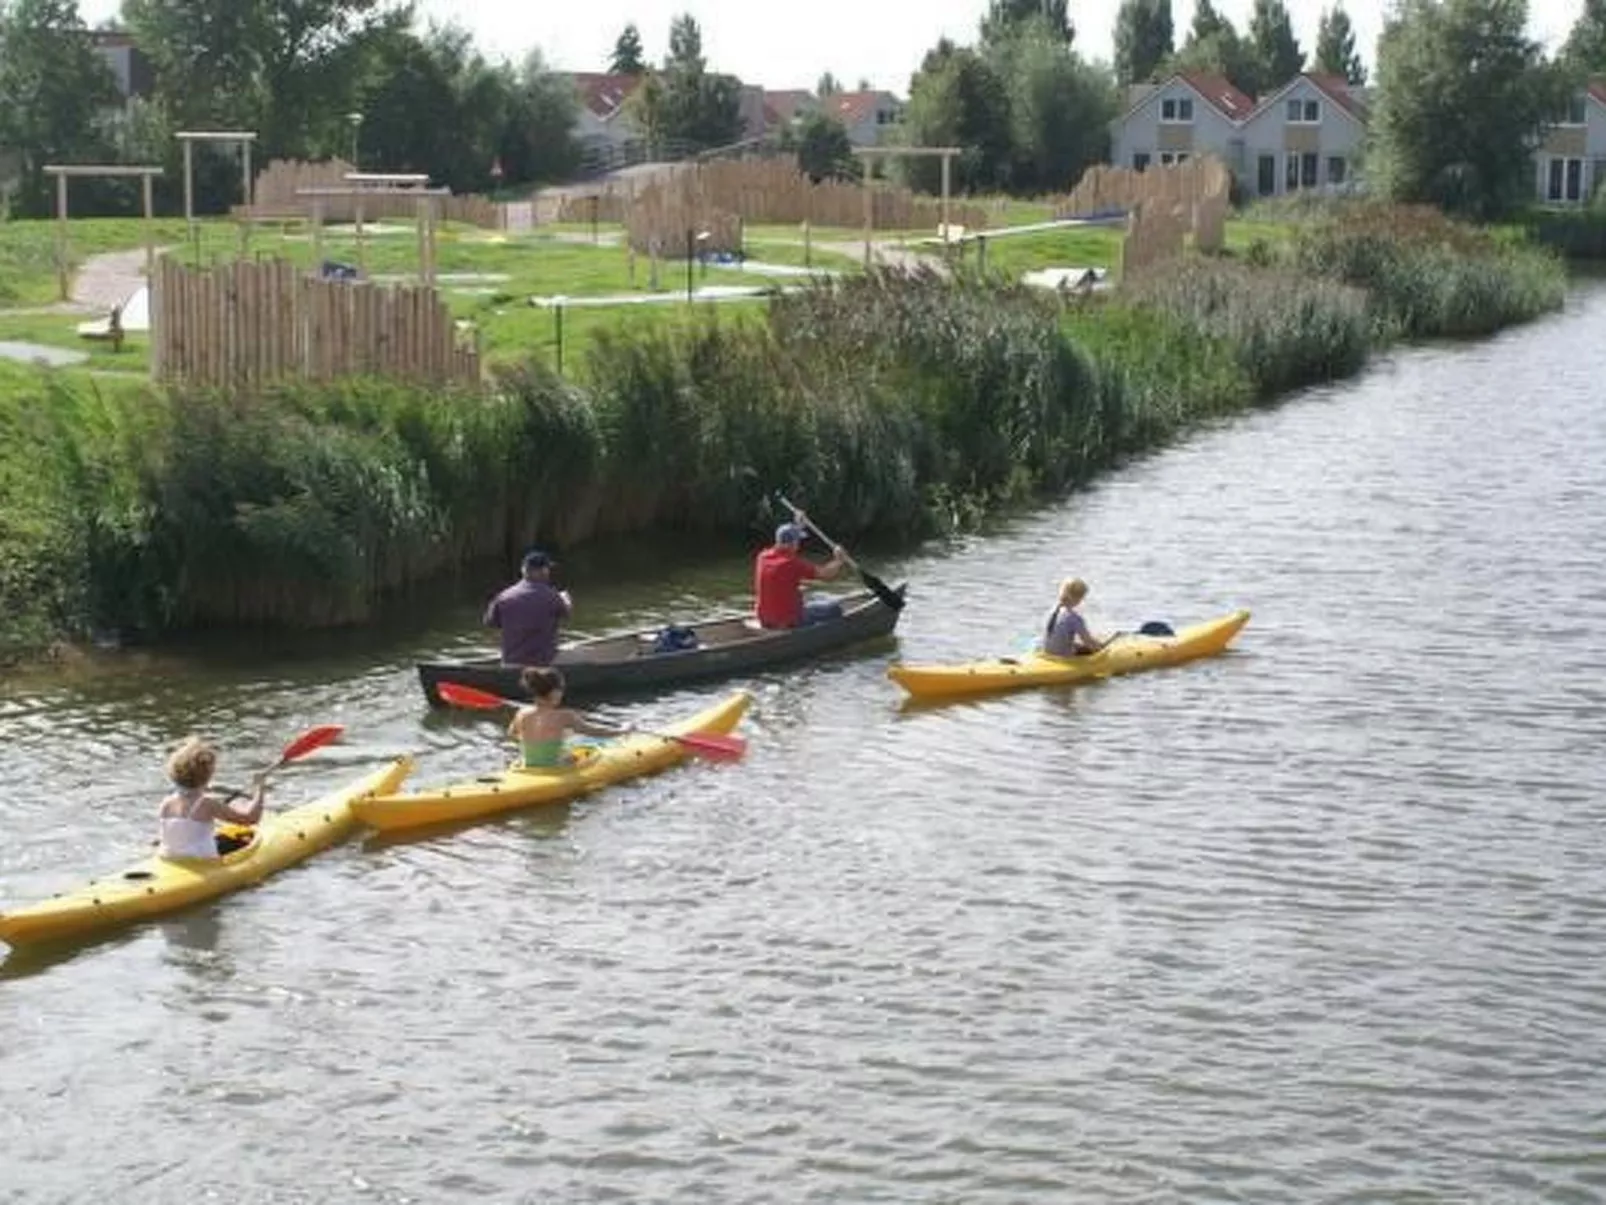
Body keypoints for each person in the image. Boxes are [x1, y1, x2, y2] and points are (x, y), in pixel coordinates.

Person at [157, 736, 267, 860]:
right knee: (245, 839)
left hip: (170, 857)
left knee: (222, 839)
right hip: (201, 861)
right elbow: (251, 818)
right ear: (208, 775)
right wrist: (259, 788)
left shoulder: (166, 803)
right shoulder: (208, 804)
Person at [508, 667, 629, 769]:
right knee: (583, 755)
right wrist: (622, 731)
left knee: (569, 746)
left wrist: (540, 739)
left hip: (529, 765)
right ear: (555, 692)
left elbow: (512, 734)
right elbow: (594, 731)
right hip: (557, 766)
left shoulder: (521, 713)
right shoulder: (565, 715)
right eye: (561, 690)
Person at [754, 516, 847, 629]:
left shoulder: (762, 557)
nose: (799, 545)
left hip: (764, 619)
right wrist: (839, 560)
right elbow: (826, 574)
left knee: (812, 598)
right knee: (835, 609)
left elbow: (787, 536)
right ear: (793, 543)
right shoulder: (793, 563)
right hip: (790, 620)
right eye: (797, 541)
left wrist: (799, 525)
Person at [485, 549, 572, 668]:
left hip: (510, 664)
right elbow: (566, 614)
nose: (548, 572)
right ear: (542, 571)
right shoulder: (552, 596)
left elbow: (490, 623)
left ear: (523, 570)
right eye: (547, 569)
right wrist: (566, 600)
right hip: (542, 667)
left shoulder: (503, 596)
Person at [1042, 577, 1107, 657]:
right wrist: (1102, 648)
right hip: (1064, 658)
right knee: (1094, 647)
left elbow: (1054, 637)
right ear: (1077, 598)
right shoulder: (1074, 617)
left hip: (1049, 654)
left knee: (1079, 645)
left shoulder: (1052, 611)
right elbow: (1089, 643)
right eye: (1082, 597)